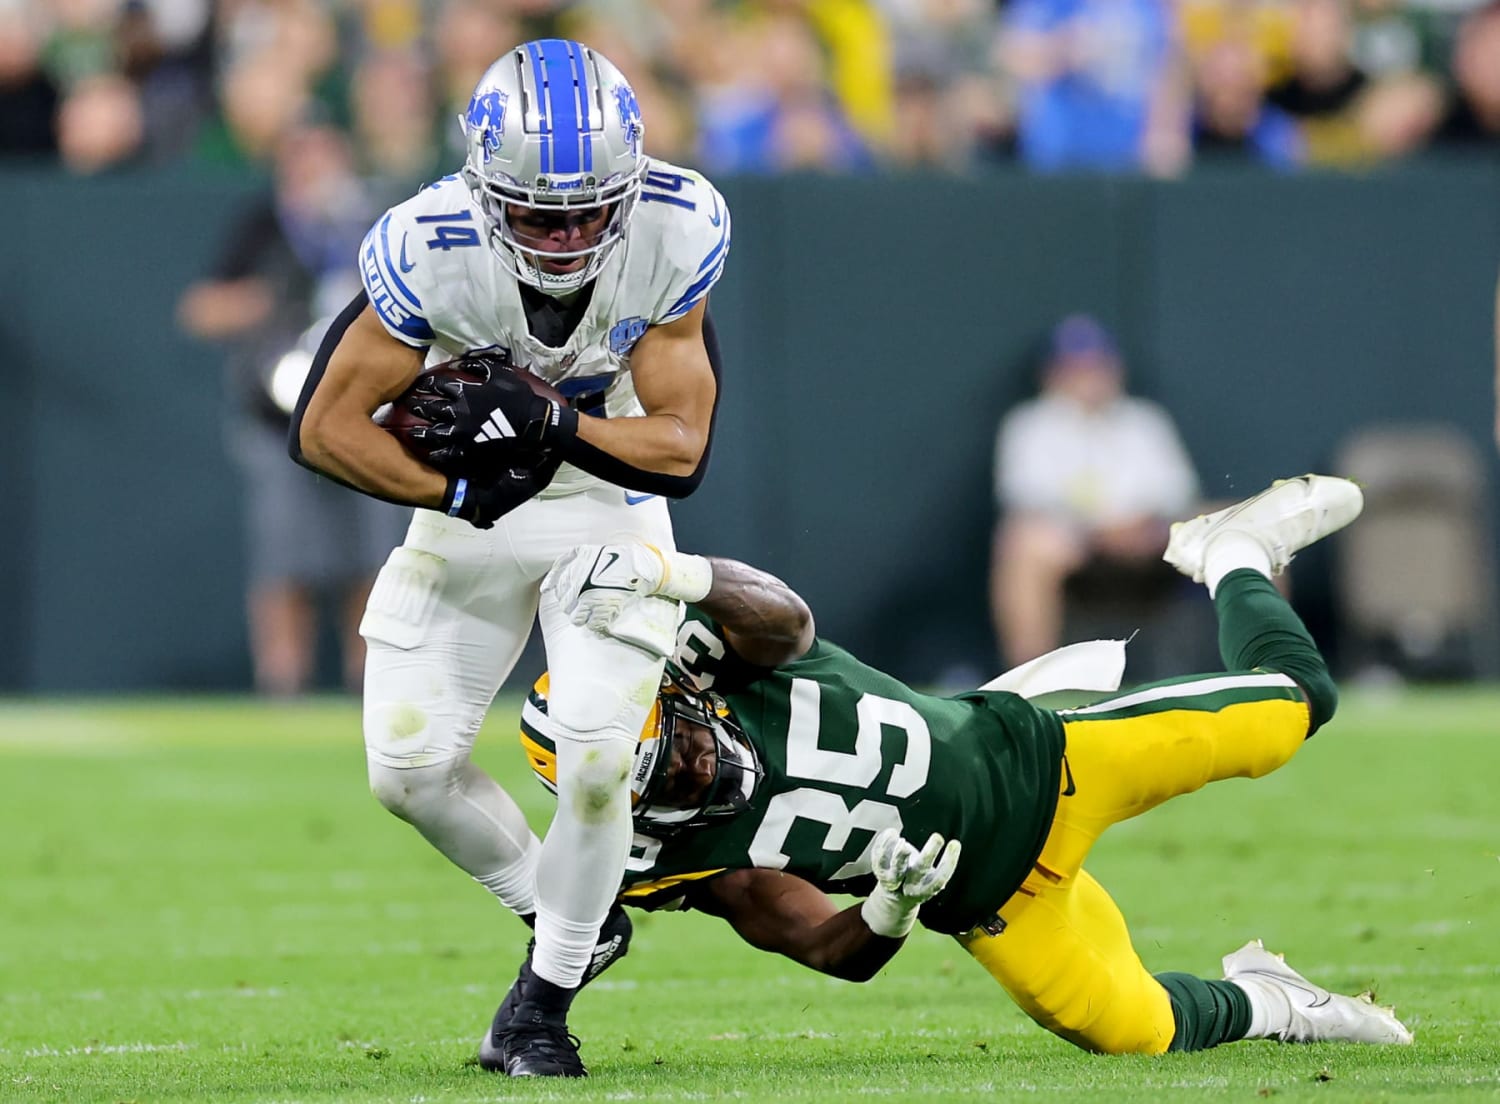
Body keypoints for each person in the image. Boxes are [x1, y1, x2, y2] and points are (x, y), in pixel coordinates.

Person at [521, 475, 1413, 1063]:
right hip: (991, 905)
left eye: (677, 741)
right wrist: (889, 909)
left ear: (679, 689)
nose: (694, 768)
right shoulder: (670, 861)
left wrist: (673, 575)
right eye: (660, 779)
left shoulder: (727, 656)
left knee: (1299, 702)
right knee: (1135, 1031)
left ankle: (1235, 555)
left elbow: (787, 619)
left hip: (1048, 758)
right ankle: (1278, 1002)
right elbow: (818, 946)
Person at [291, 39, 730, 1077]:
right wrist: (454, 487)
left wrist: (551, 425)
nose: (571, 235)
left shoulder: (677, 225)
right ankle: (567, 913)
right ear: (485, 191)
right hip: (480, 504)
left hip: (607, 495)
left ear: (629, 188)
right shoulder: (428, 245)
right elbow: (326, 426)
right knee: (406, 768)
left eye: (590, 210)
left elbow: (679, 447)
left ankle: (543, 1002)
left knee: (593, 755)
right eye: (542, 213)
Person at [178, 123, 407, 696]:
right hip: (277, 419)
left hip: (364, 412)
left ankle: (369, 678)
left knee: (373, 554)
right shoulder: (263, 224)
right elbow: (200, 309)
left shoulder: (374, 224)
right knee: (284, 557)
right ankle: (282, 678)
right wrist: (261, 301)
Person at [991, 314, 1200, 669]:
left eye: (1096, 366)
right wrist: (1099, 531)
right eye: (1075, 368)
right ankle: (1026, 682)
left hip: (1150, 541)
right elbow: (1024, 496)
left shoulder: (1143, 420)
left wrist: (1138, 527)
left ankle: (1269, 671)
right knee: (1023, 541)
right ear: (1052, 374)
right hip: (1078, 545)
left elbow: (1177, 491)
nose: (1087, 377)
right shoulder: (1031, 423)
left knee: (1243, 529)